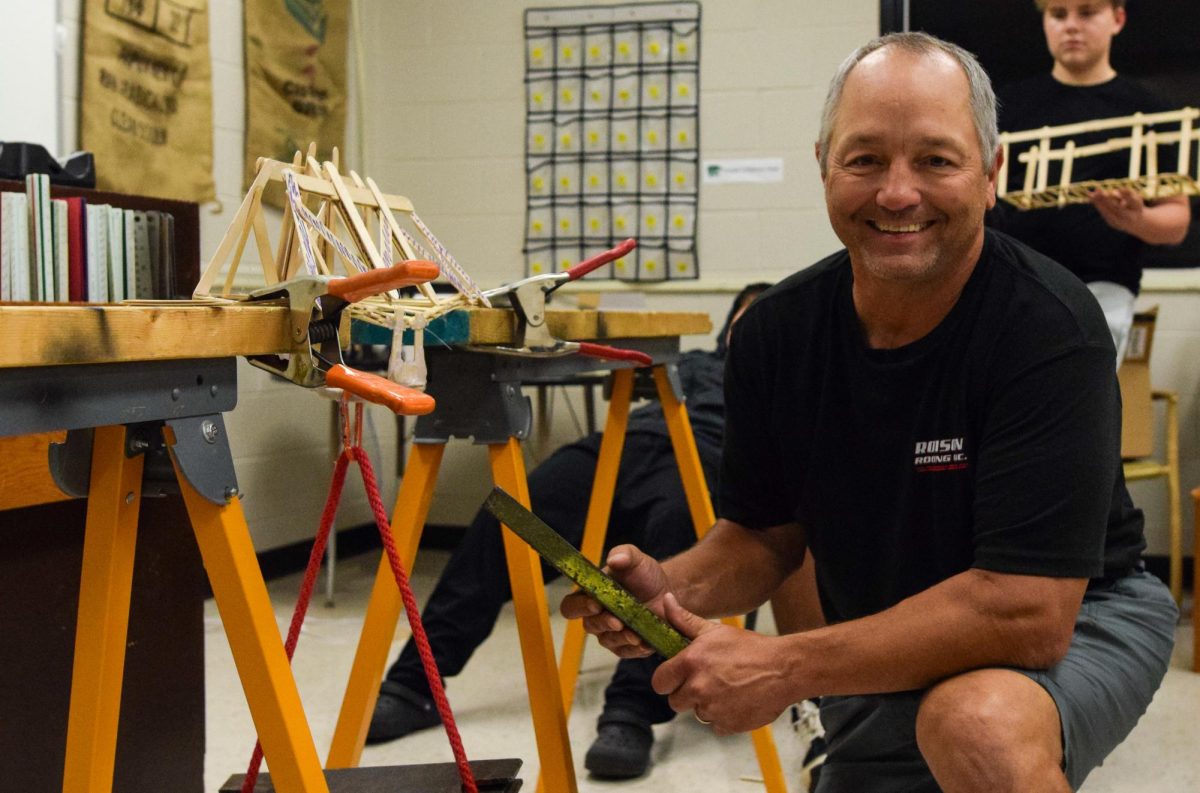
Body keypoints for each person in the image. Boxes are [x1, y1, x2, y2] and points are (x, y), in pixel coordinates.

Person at [563, 31, 1178, 793]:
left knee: (973, 725)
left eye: (935, 159)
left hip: (1087, 605)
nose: (896, 192)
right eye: (864, 159)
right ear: (824, 165)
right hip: (899, 609)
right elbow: (765, 536)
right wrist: (670, 586)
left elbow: (1027, 612)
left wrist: (784, 665)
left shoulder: (1049, 326)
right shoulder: (775, 334)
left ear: (992, 174)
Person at [367, 283, 774, 780]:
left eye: (767, 323)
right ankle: (415, 686)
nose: (753, 332)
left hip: (705, 457)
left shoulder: (787, 385)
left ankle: (631, 711)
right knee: (514, 517)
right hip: (625, 444)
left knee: (680, 532)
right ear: (732, 324)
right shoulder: (688, 363)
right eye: (746, 319)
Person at [988, 0, 1190, 364]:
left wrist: (1136, 220)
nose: (1071, 26)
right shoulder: (1008, 107)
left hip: (1103, 289)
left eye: (1087, 12)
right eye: (1058, 14)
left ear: (1118, 18)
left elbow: (1176, 222)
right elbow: (983, 198)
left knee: (1079, 403)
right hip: (1014, 283)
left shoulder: (1150, 112)